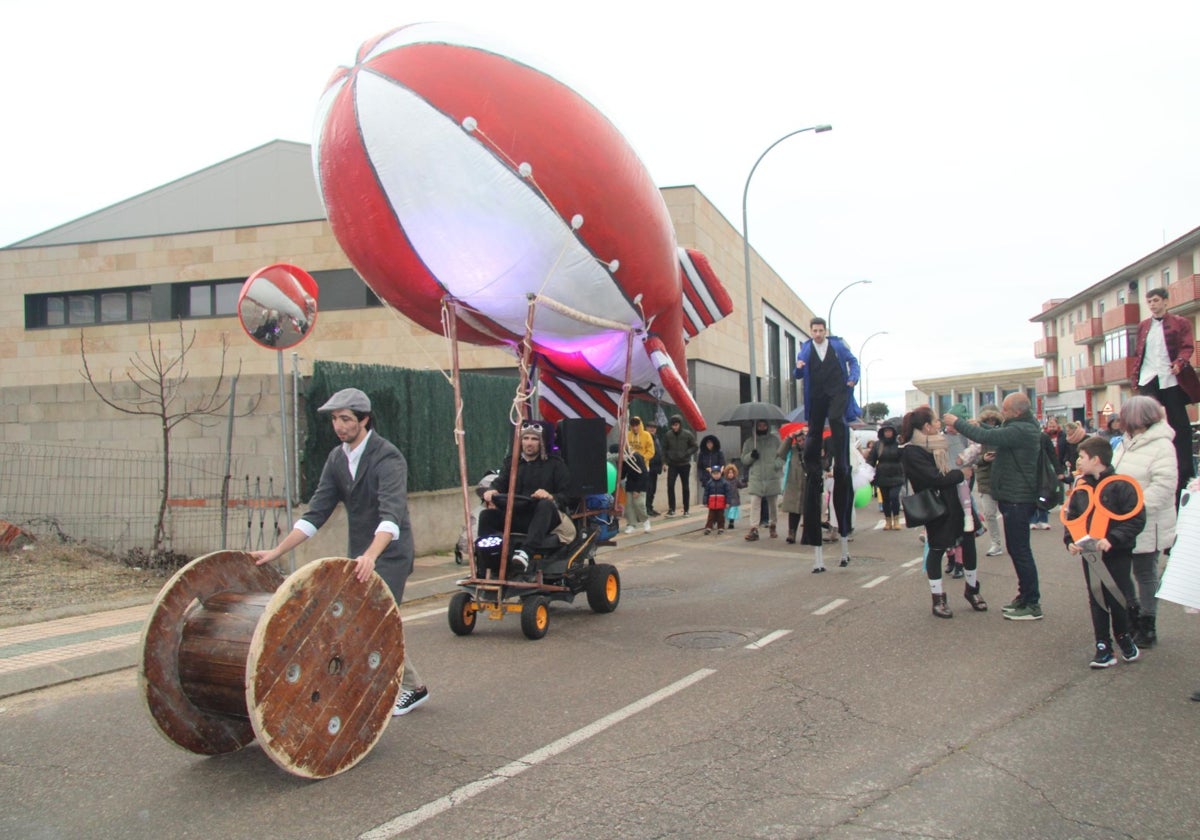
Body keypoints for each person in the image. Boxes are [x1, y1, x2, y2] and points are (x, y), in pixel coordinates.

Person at [250, 388, 428, 717]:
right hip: (361, 554)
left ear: (364, 420)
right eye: (334, 419)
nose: (339, 426)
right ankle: (386, 682)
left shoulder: (388, 458)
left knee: (374, 620)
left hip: (388, 553)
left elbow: (391, 517)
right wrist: (276, 551)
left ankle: (412, 688)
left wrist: (372, 555)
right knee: (358, 622)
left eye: (346, 419)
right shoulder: (337, 458)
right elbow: (315, 513)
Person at [943, 392, 1045, 621]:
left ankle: (1032, 602)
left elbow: (987, 436)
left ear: (1017, 412)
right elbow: (992, 433)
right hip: (1012, 496)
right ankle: (1025, 596)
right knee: (1018, 550)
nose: (1003, 414)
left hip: (1018, 498)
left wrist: (957, 423)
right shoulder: (1021, 426)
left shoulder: (1022, 430)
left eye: (1006, 410)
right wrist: (976, 424)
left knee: (1021, 551)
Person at [1063, 437, 1145, 668]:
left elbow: (1136, 519)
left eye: (1082, 457)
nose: (1078, 461)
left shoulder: (1122, 485)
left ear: (1096, 459)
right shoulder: (1081, 487)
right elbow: (1073, 518)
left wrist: (1113, 539)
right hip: (1090, 552)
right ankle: (1103, 645)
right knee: (1097, 597)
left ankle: (1123, 636)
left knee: (1117, 596)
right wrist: (1070, 540)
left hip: (1117, 552)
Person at [899, 406, 987, 618]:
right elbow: (932, 478)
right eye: (936, 422)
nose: (940, 425)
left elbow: (963, 458)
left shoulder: (943, 443)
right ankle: (938, 598)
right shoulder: (911, 451)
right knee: (937, 549)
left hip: (959, 501)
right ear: (927, 426)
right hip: (937, 506)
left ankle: (972, 589)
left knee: (969, 543)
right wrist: (960, 474)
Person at [794, 317, 861, 567]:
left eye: (821, 330)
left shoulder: (838, 345)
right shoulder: (805, 347)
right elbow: (798, 371)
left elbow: (854, 362)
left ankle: (840, 458)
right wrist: (800, 366)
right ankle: (814, 462)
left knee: (836, 420)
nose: (818, 334)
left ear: (826, 331)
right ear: (810, 332)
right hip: (818, 395)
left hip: (837, 391)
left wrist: (852, 378)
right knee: (814, 432)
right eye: (815, 331)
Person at [1111, 396, 1178, 648]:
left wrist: (1134, 508)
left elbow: (1164, 485)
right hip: (1123, 521)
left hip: (1147, 521)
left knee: (1145, 572)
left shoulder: (1161, 446)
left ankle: (1148, 623)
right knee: (1121, 571)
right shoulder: (1125, 443)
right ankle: (1133, 614)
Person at [1132, 287, 1196, 500]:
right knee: (1147, 423)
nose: (1152, 305)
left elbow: (1187, 347)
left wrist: (1179, 363)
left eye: (1156, 300)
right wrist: (1135, 377)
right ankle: (1147, 463)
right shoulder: (1144, 326)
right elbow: (1139, 354)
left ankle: (1185, 471)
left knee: (1179, 424)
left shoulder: (1180, 322)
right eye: (1149, 301)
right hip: (1149, 377)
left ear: (1166, 302)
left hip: (1170, 377)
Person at [480, 421, 571, 572]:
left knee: (544, 504)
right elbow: (500, 482)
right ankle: (488, 561)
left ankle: (526, 553)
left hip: (545, 517)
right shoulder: (512, 463)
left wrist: (550, 496)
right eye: (526, 438)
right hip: (518, 514)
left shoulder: (555, 464)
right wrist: (492, 491)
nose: (529, 443)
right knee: (486, 516)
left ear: (541, 442)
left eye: (534, 439)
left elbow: (568, 495)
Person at [740, 419, 783, 541]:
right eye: (759, 425)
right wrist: (751, 456)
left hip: (772, 476)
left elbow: (782, 455)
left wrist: (777, 465)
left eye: (764, 425)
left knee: (773, 505)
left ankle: (772, 525)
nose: (762, 427)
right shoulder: (750, 442)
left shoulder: (775, 441)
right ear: (756, 426)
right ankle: (754, 528)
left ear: (767, 426)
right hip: (756, 477)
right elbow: (744, 459)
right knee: (755, 503)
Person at [973, 407, 1005, 557]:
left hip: (1004, 479)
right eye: (987, 421)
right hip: (985, 479)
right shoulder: (977, 437)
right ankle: (996, 543)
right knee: (989, 513)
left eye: (994, 421)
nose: (991, 423)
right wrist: (983, 459)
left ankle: (1011, 542)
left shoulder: (1004, 434)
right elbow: (971, 458)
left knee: (1008, 513)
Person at [867, 423, 904, 531]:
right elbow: (871, 459)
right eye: (886, 431)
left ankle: (896, 519)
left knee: (894, 496)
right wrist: (868, 471)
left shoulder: (898, 444)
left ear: (893, 432)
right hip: (882, 474)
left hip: (896, 473)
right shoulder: (878, 445)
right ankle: (888, 520)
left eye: (890, 431)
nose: (888, 433)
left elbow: (904, 457)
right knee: (885, 499)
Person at [661, 415, 699, 517]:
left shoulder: (687, 434)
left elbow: (695, 446)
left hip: (685, 464)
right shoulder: (668, 435)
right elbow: (664, 449)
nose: (675, 427)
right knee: (670, 485)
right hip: (672, 464)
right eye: (673, 425)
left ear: (680, 425)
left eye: (676, 425)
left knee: (685, 487)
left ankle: (686, 509)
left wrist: (687, 453)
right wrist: (664, 462)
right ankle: (671, 509)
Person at [777, 427, 808, 543]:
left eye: (803, 440)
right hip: (793, 483)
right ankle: (792, 532)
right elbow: (780, 453)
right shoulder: (793, 450)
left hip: (807, 483)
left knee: (807, 509)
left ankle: (807, 534)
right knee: (793, 510)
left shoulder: (812, 448)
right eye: (799, 440)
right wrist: (789, 438)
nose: (801, 443)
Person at [621, 447, 651, 535]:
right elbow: (623, 474)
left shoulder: (637, 456)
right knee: (628, 505)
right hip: (630, 484)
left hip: (640, 485)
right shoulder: (625, 459)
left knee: (639, 504)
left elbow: (644, 473)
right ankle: (631, 524)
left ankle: (645, 521)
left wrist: (637, 490)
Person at [702, 466, 730, 535]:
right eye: (714, 474)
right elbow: (706, 493)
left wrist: (727, 502)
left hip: (721, 504)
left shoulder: (724, 483)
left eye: (717, 473)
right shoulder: (709, 483)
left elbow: (728, 493)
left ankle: (721, 528)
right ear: (711, 474)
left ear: (721, 473)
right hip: (712, 504)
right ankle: (708, 528)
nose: (716, 475)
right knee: (711, 516)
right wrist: (705, 502)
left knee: (721, 516)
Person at [644, 421, 663, 516]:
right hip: (648, 467)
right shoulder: (645, 438)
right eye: (650, 427)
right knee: (648, 489)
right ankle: (646, 509)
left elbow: (659, 452)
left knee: (653, 489)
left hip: (655, 468)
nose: (652, 429)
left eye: (654, 427)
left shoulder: (656, 438)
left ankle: (650, 507)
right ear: (646, 428)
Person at [722, 463, 742, 530]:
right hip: (727, 499)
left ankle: (731, 523)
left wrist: (746, 483)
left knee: (733, 511)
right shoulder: (724, 481)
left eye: (732, 473)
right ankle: (724, 522)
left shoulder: (736, 480)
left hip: (734, 498)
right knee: (727, 511)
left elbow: (741, 485)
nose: (730, 474)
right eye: (729, 473)